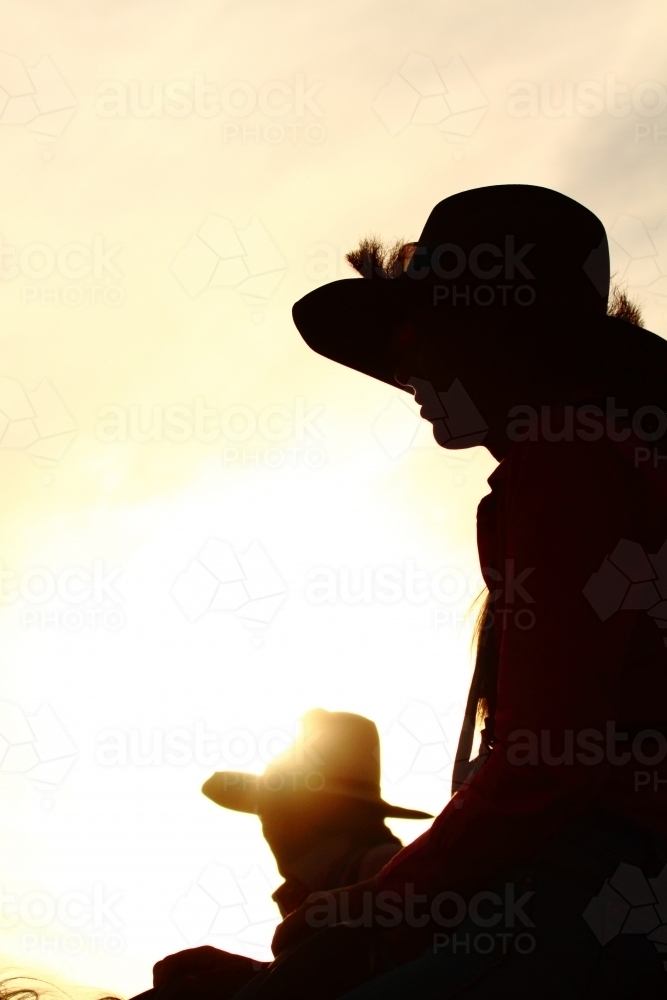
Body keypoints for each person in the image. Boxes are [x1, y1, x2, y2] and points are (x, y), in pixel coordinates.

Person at [226, 184, 667, 998]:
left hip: (598, 886)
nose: (405, 366)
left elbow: (548, 766)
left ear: (490, 334)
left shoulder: (566, 471)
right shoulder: (592, 467)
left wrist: (375, 911)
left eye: (413, 333)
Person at [147, 709, 431, 1000]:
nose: (269, 827)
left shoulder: (385, 871)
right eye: (265, 810)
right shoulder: (344, 876)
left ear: (323, 812)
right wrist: (253, 975)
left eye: (275, 808)